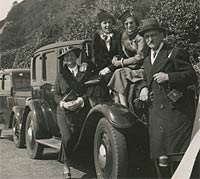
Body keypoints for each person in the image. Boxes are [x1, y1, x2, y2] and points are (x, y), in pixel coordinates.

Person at [139, 18, 197, 178]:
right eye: (146, 37)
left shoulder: (175, 52)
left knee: (176, 160)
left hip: (176, 115)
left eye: (153, 35)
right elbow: (146, 77)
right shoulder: (146, 59)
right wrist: (143, 87)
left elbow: (192, 76)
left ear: (162, 35)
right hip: (156, 115)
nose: (150, 39)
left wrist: (169, 77)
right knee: (160, 160)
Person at [54, 47, 91, 179]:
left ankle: (70, 159)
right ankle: (66, 165)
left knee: (77, 137)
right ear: (64, 59)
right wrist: (63, 104)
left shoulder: (84, 71)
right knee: (67, 137)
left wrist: (81, 100)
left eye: (71, 56)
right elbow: (57, 94)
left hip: (79, 109)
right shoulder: (61, 74)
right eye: (66, 57)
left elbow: (89, 91)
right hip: (63, 111)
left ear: (76, 57)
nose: (69, 58)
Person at [107, 9, 148, 108]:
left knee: (119, 72)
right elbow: (123, 53)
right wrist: (116, 58)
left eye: (131, 23)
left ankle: (122, 105)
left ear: (136, 23)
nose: (129, 26)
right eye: (126, 24)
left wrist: (121, 62)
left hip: (142, 68)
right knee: (117, 73)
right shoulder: (124, 36)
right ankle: (119, 102)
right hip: (131, 67)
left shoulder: (141, 37)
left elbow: (140, 57)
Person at [89, 9, 120, 102]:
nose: (107, 25)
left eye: (109, 22)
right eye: (105, 23)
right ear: (100, 24)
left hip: (115, 67)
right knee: (94, 88)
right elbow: (94, 55)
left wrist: (110, 67)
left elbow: (121, 53)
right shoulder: (96, 37)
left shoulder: (118, 35)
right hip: (101, 69)